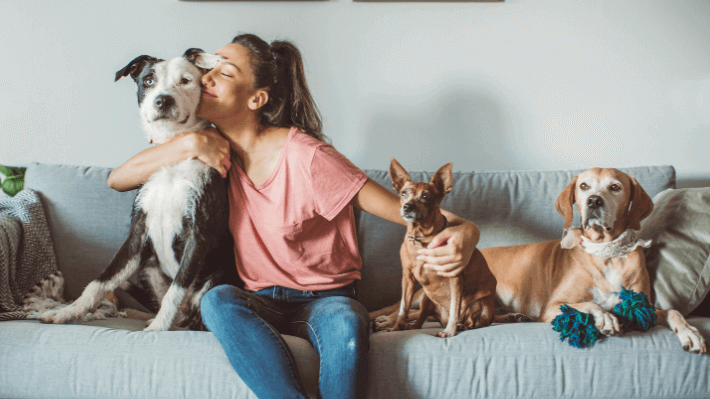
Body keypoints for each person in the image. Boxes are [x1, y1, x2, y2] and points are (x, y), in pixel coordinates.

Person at [107, 33, 480, 399]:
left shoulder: (308, 157)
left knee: (347, 323)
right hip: (259, 298)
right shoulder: (208, 148)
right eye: (209, 68)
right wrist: (188, 142)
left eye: (225, 71)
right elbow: (117, 179)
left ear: (257, 98)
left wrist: (469, 231)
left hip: (326, 299)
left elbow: (410, 213)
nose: (206, 77)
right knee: (217, 301)